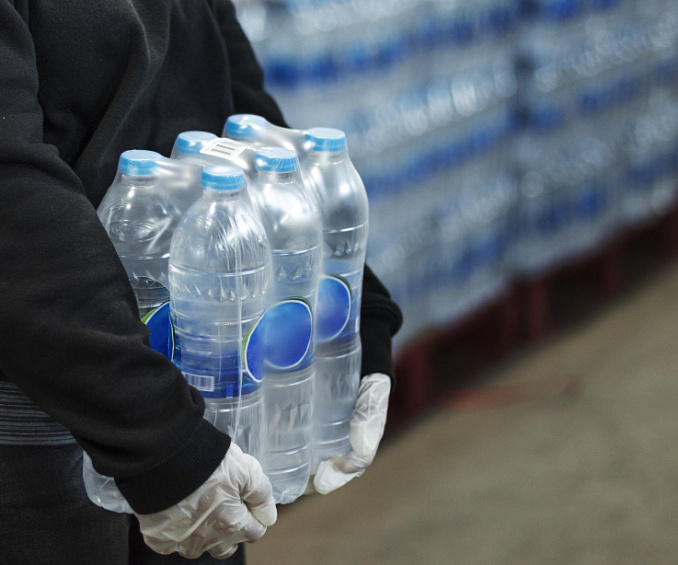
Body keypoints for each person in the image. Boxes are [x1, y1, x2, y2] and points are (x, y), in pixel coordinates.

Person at [0, 1, 403, 564]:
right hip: (43, 434)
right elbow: (11, 191)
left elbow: (235, 112)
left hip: (184, 408)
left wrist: (351, 304)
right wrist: (157, 435)